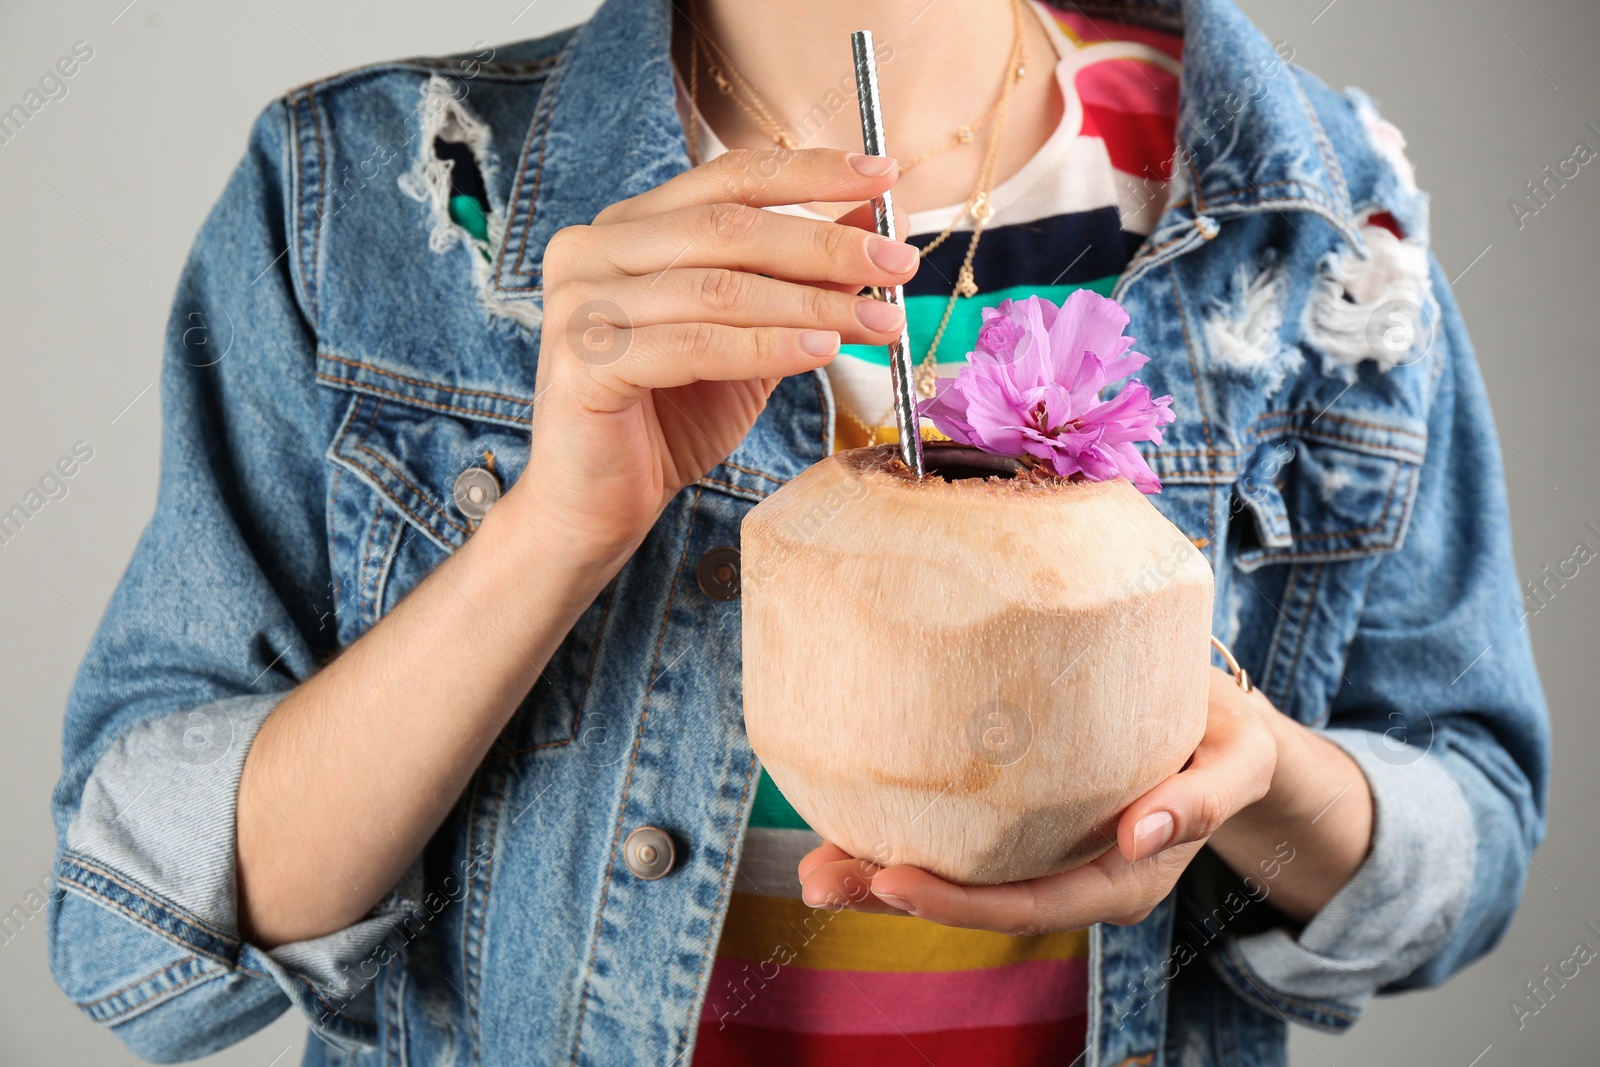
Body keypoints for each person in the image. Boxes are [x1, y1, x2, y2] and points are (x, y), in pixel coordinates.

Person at [47, 0, 1548, 1063]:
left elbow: (1468, 839)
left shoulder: (1325, 225)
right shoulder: (363, 199)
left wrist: (1253, 777)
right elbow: (138, 936)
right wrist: (559, 529)